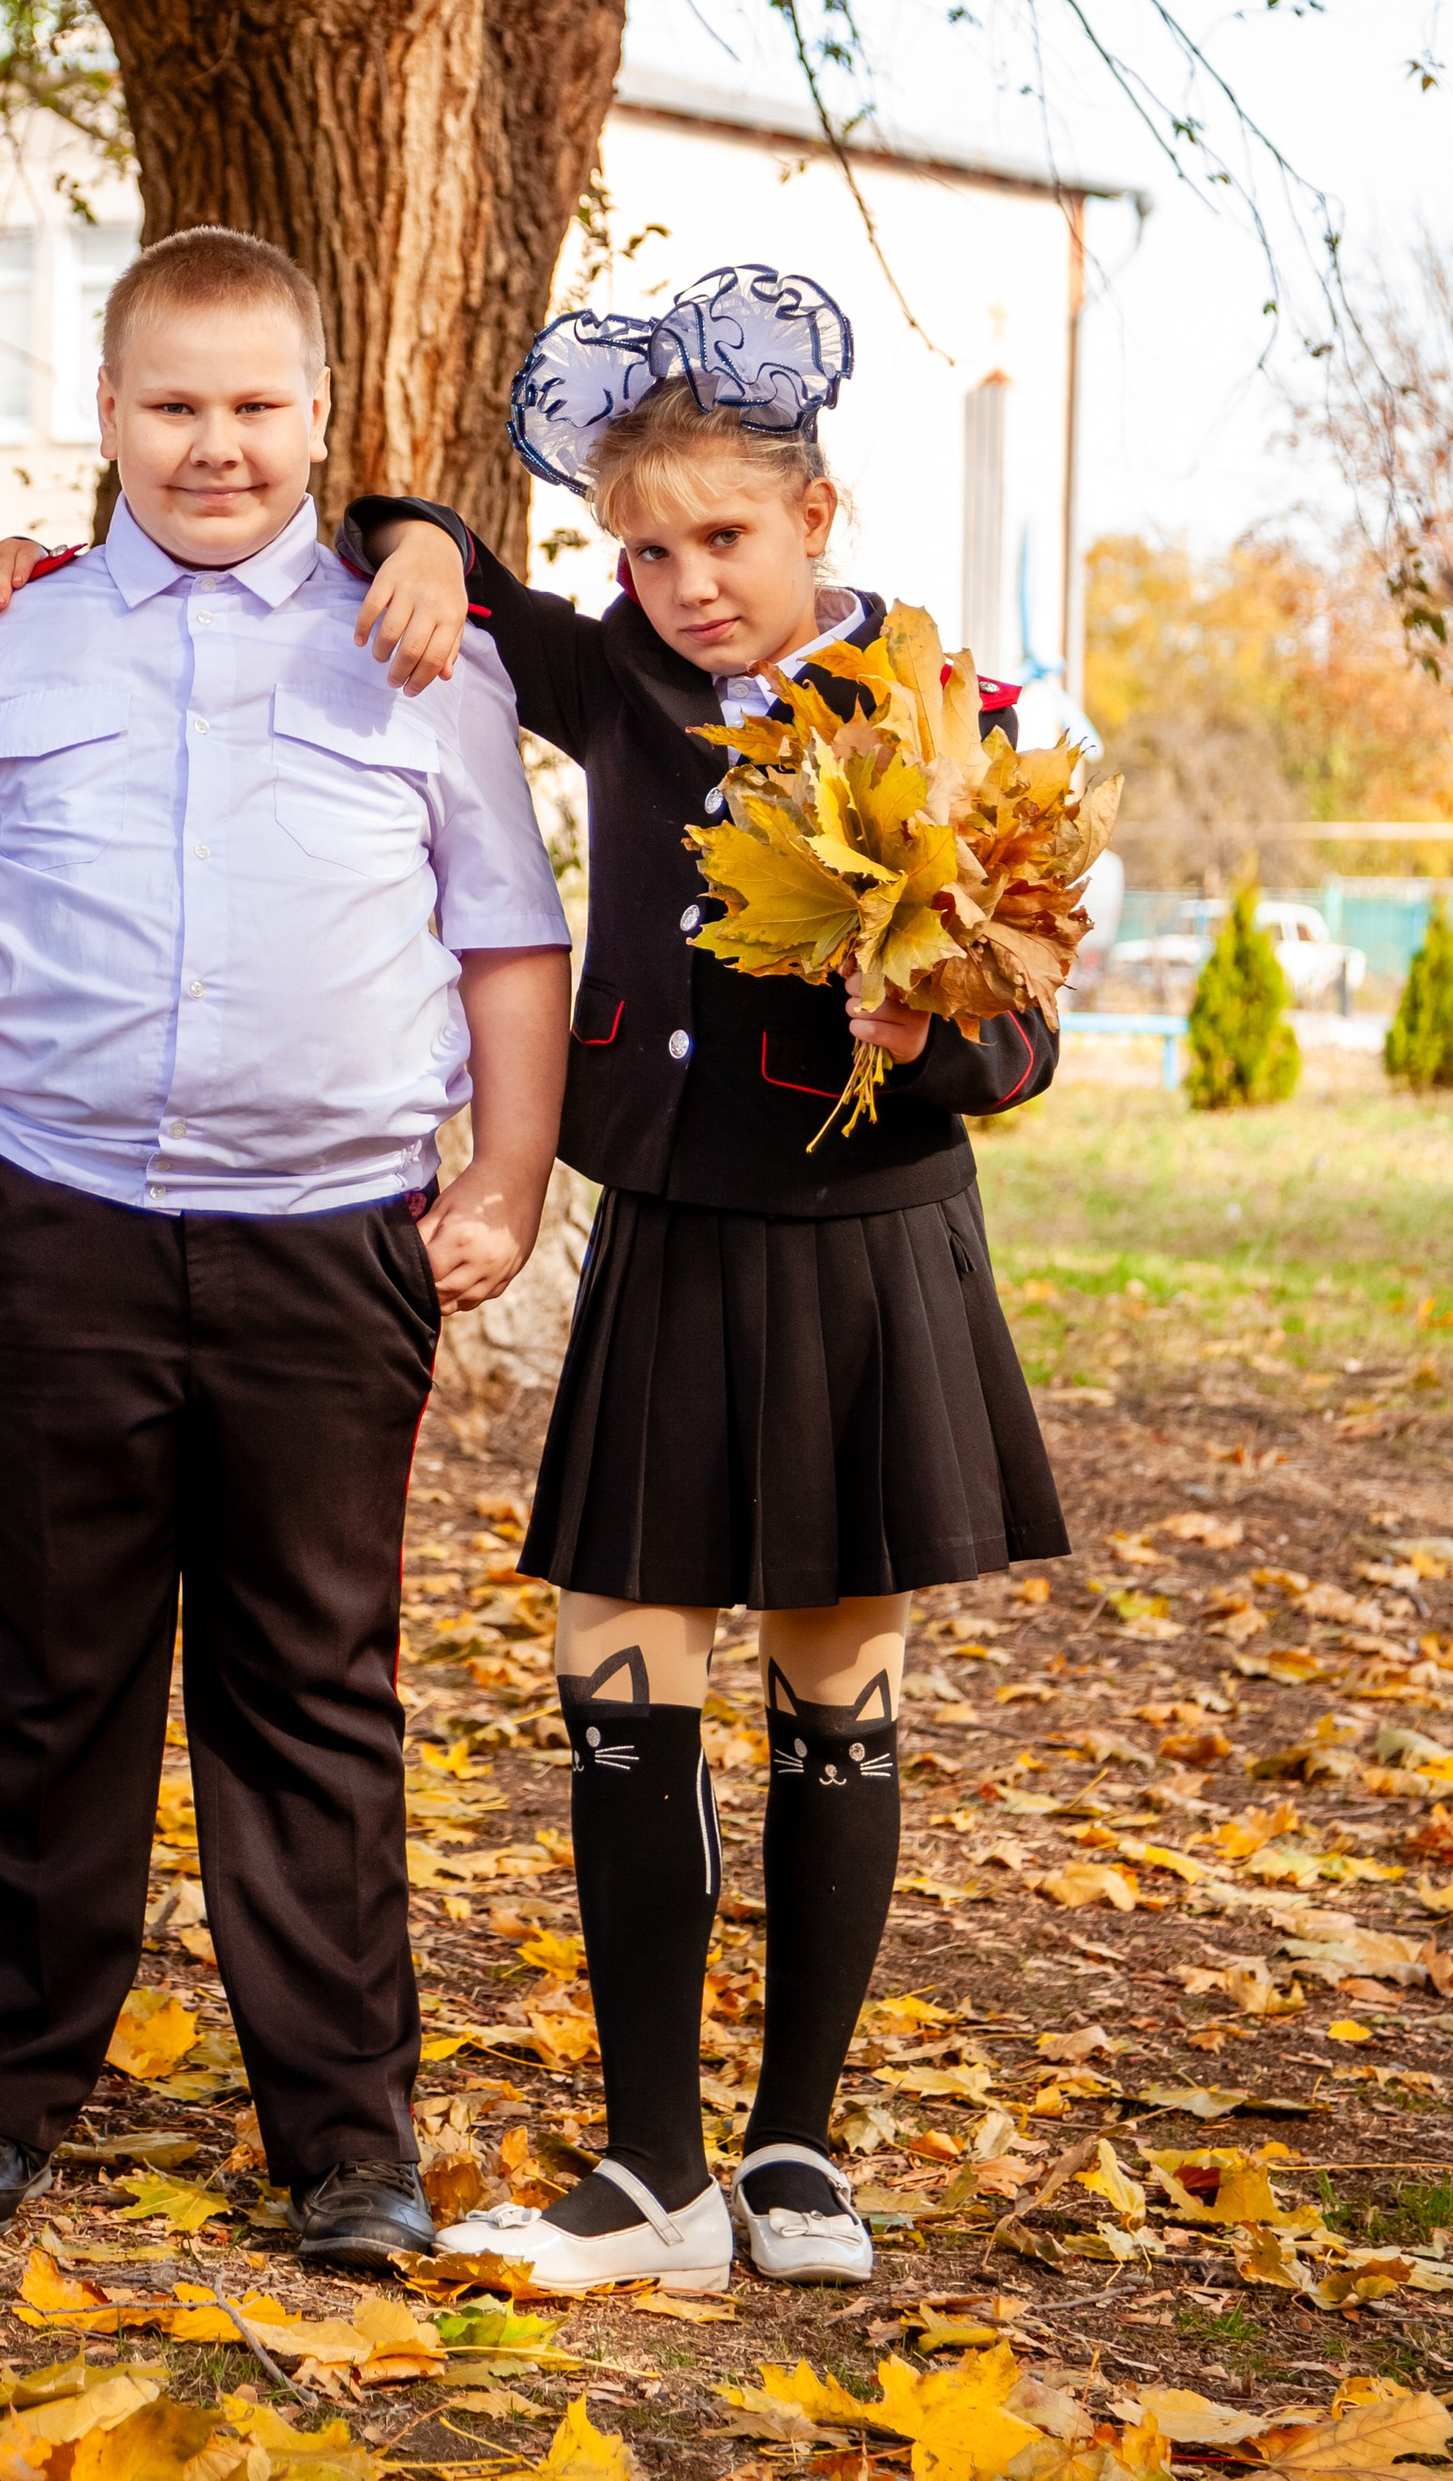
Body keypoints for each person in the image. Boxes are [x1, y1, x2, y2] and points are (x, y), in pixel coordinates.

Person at [0, 225, 574, 2270]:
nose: (213, 445)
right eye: (172, 403)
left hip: (326, 1245)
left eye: (254, 407)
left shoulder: (422, 657)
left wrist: (499, 1183)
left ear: (319, 422)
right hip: (43, 1221)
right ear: (105, 412)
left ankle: (344, 2140)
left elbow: (510, 950)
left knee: (309, 1688)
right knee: (42, 1678)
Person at [344, 263, 1069, 2295]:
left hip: (865, 1255)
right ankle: (648, 2168)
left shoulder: (958, 719)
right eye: (642, 546)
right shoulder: (620, 682)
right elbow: (450, 576)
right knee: (617, 1657)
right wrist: (401, 526)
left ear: (816, 517)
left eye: (721, 540)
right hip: (665, 1235)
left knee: (834, 1672)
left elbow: (1020, 1043)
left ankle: (795, 2149)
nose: (680, 581)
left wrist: (916, 1031)